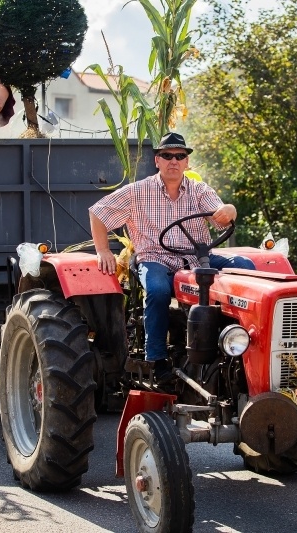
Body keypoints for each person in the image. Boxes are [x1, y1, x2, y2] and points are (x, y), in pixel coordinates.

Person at [89, 132, 256, 380]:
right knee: (157, 290)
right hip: (156, 258)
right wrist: (103, 250)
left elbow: (221, 215)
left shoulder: (199, 190)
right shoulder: (138, 191)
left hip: (197, 258)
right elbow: (98, 212)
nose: (173, 161)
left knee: (245, 267)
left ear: (187, 162)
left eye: (180, 156)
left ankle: (240, 346)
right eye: (167, 156)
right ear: (157, 160)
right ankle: (155, 360)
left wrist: (229, 210)